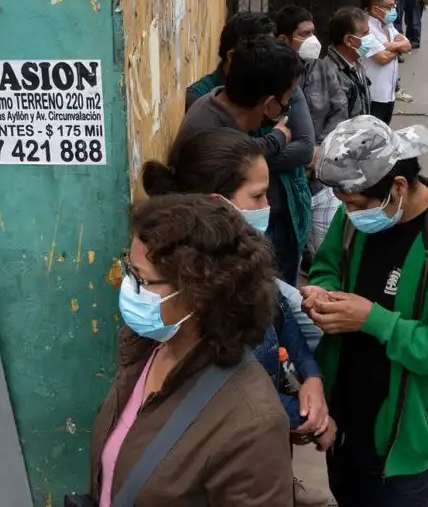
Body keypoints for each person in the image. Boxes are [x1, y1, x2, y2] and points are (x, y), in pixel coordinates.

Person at [303, 116, 428, 507]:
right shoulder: (356, 214)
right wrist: (322, 292)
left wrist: (374, 320)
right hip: (343, 419)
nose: (348, 213)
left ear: (399, 187)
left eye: (355, 205)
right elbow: (326, 266)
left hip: (400, 438)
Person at [142, 129, 333, 507]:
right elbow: (224, 394)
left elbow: (279, 312)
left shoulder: (242, 256)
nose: (269, 205)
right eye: (258, 195)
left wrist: (310, 374)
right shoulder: (187, 296)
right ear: (220, 203)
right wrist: (307, 417)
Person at [87, 194, 292, 506]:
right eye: (129, 268)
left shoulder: (253, 423)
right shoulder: (146, 349)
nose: (127, 287)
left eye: (142, 280)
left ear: (200, 293)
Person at [177, 35, 313, 288]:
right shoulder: (212, 138)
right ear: (269, 104)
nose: (287, 106)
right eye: (287, 100)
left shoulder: (215, 105)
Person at [273, 5, 349, 264]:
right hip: (286, 182)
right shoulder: (272, 74)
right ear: (283, 39)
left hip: (320, 177)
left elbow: (339, 109)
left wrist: (317, 150)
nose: (312, 41)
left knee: (329, 252)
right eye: (304, 35)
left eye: (313, 32)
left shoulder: (322, 69)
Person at [185, 11, 275, 110]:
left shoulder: (271, 90)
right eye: (263, 53)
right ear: (232, 57)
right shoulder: (199, 98)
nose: (272, 61)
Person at [360, 0, 411, 125]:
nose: (393, 9)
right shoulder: (366, 29)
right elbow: (382, 58)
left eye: (394, 5)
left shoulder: (388, 26)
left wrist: (391, 46)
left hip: (389, 93)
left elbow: (408, 45)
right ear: (376, 9)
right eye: (389, 6)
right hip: (374, 95)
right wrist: (398, 48)